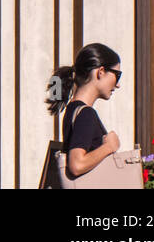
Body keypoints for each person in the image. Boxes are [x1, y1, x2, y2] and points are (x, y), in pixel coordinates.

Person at [47, 42, 123, 179]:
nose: (118, 84)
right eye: (117, 75)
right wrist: (109, 147)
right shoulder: (86, 113)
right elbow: (77, 165)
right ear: (100, 72)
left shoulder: (72, 109)